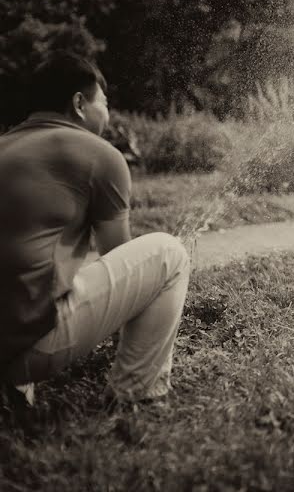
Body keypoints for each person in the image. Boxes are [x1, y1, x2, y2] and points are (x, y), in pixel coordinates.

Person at [0, 52, 191, 408]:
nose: (107, 112)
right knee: (169, 254)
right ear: (79, 104)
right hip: (29, 347)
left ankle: (16, 388)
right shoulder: (100, 154)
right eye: (104, 102)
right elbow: (116, 254)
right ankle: (137, 395)